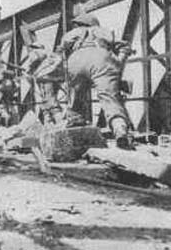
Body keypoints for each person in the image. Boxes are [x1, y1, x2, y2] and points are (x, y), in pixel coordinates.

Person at [58, 13, 135, 149]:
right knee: (109, 98)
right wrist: (118, 64)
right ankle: (120, 130)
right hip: (101, 57)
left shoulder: (71, 34)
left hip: (76, 59)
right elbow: (124, 47)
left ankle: (75, 127)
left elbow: (61, 52)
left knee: (76, 98)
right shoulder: (103, 31)